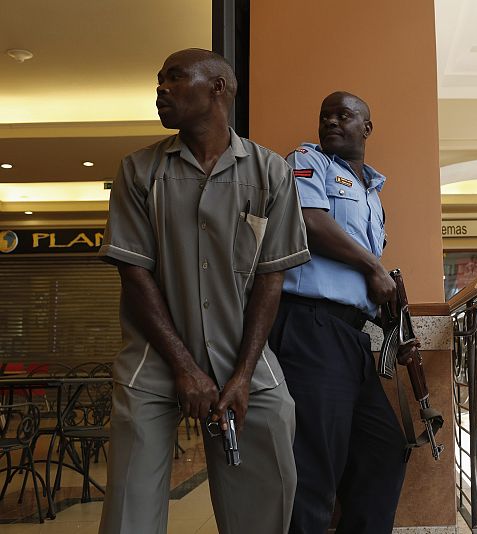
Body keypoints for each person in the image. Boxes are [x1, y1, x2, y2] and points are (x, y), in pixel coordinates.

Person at [97, 48, 310, 534]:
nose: (161, 89)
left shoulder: (270, 171)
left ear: (218, 88)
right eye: (159, 81)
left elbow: (270, 277)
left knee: (272, 449)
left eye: (174, 78)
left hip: (243, 357)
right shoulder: (139, 171)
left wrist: (244, 371)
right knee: (131, 506)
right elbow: (134, 274)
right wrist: (186, 368)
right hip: (154, 359)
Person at [269, 91, 407, 534]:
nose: (330, 120)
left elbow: (368, 271)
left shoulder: (372, 190)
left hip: (351, 337)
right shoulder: (307, 161)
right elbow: (310, 221)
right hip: (310, 326)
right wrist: (373, 265)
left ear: (366, 127)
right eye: (324, 115)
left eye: (343, 115)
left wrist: (388, 309)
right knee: (313, 467)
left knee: (384, 449)